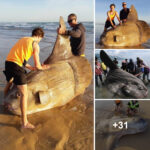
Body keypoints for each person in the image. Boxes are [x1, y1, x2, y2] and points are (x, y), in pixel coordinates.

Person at [3, 28, 50, 129]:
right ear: (39, 36)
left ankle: (4, 102)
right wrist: (43, 67)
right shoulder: (35, 44)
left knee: (10, 82)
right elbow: (38, 65)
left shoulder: (23, 39)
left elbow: (23, 61)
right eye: (41, 39)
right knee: (24, 94)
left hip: (8, 63)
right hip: (16, 66)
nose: (40, 41)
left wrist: (31, 68)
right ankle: (24, 123)